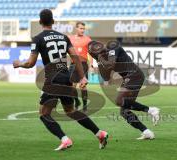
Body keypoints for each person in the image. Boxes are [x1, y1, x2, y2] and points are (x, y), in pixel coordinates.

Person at [12, 9, 108, 151]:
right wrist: (82, 76)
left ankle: (65, 140)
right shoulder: (63, 37)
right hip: (66, 77)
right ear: (53, 22)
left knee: (44, 114)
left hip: (52, 79)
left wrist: (18, 64)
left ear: (40, 22)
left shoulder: (38, 38)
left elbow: (30, 63)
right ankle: (100, 133)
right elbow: (75, 57)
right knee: (71, 111)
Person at [88, 40, 160, 140]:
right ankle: (147, 132)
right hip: (129, 77)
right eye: (93, 52)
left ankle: (150, 110)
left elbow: (111, 64)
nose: (97, 52)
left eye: (97, 49)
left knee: (119, 100)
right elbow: (106, 77)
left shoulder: (112, 46)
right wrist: (99, 61)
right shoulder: (101, 57)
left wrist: (101, 59)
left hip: (134, 75)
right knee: (124, 111)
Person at [68, 21, 93, 112]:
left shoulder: (88, 39)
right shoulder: (70, 38)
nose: (82, 30)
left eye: (83, 29)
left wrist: (91, 65)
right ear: (76, 28)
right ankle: (77, 101)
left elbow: (91, 53)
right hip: (73, 64)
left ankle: (85, 106)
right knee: (72, 87)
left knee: (83, 86)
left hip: (83, 65)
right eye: (81, 28)